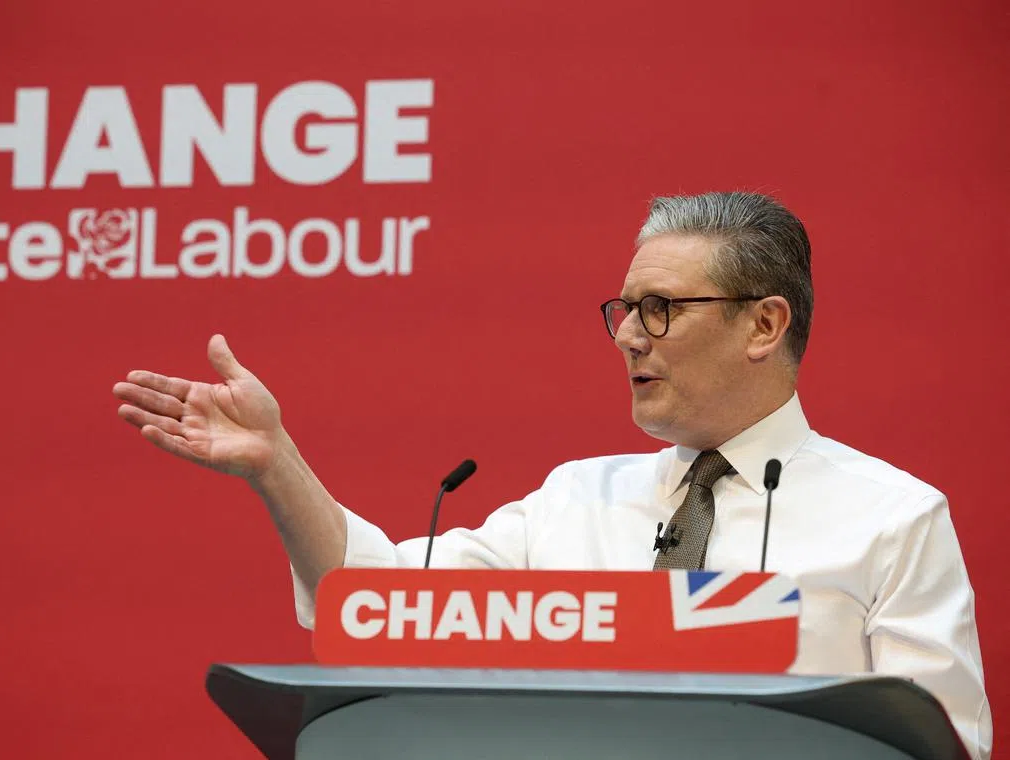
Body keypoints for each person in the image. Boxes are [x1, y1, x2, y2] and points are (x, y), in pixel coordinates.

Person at [112, 191, 991, 759]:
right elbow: (381, 606)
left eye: (661, 308)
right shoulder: (577, 498)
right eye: (622, 310)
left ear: (764, 326)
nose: (628, 336)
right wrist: (277, 464)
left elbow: (945, 743)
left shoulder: (893, 518)